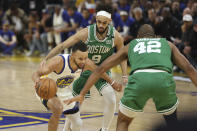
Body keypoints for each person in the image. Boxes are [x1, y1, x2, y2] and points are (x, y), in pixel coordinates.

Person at [64, 24, 197, 131]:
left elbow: (100, 69)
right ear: (155, 36)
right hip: (163, 80)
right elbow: (189, 68)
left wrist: (82, 94)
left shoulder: (132, 45)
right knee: (172, 122)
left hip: (139, 80)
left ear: (138, 37)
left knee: (123, 121)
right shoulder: (168, 44)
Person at [40, 4, 128, 131]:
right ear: (95, 19)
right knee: (74, 108)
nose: (101, 25)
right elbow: (63, 45)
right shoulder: (86, 33)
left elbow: (122, 56)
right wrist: (46, 58)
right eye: (99, 22)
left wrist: (124, 74)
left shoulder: (116, 37)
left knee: (111, 99)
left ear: (109, 21)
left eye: (104, 23)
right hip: (84, 72)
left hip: (101, 73)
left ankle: (104, 129)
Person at [32, 42, 121, 131]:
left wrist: (112, 82)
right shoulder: (59, 62)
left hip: (63, 91)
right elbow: (36, 73)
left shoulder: (86, 63)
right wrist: (37, 81)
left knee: (78, 123)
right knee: (57, 108)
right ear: (72, 55)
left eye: (85, 58)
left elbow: (99, 71)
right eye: (80, 58)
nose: (83, 61)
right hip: (46, 89)